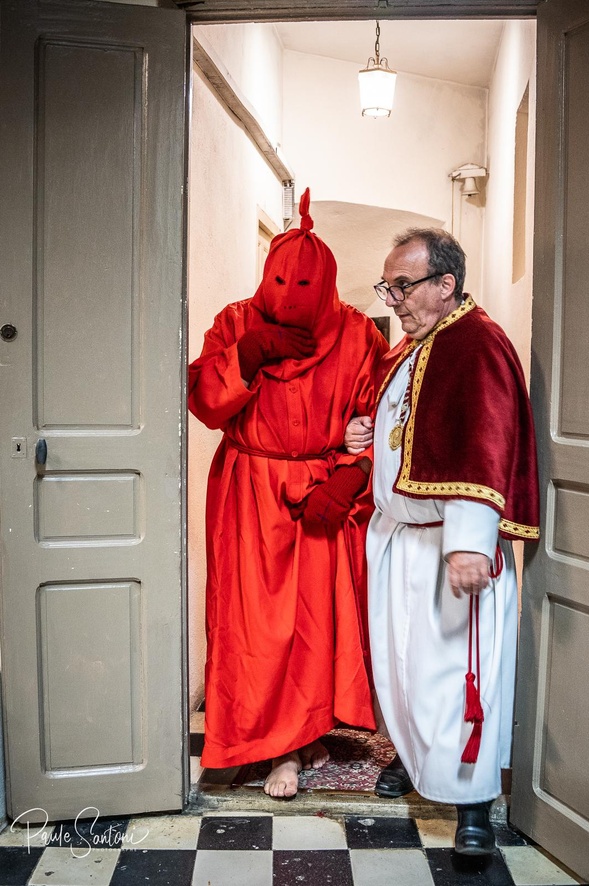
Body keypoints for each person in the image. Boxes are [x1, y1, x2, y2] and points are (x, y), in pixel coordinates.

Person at [345, 228, 539, 854]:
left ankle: (472, 807)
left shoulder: (475, 343)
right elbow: (416, 432)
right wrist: (365, 435)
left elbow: (485, 442)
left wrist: (469, 544)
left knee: (459, 676)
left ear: (444, 285)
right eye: (389, 286)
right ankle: (414, 756)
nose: (392, 299)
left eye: (401, 286)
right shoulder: (413, 349)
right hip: (399, 539)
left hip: (449, 547)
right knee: (403, 666)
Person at [189, 189, 388, 798]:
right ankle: (264, 741)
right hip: (249, 492)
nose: (287, 299)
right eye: (278, 284)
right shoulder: (234, 323)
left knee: (311, 627)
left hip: (321, 496)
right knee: (249, 626)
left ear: (325, 286)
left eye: (302, 287)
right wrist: (247, 357)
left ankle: (297, 744)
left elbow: (388, 419)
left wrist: (354, 476)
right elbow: (204, 402)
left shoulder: (358, 335)